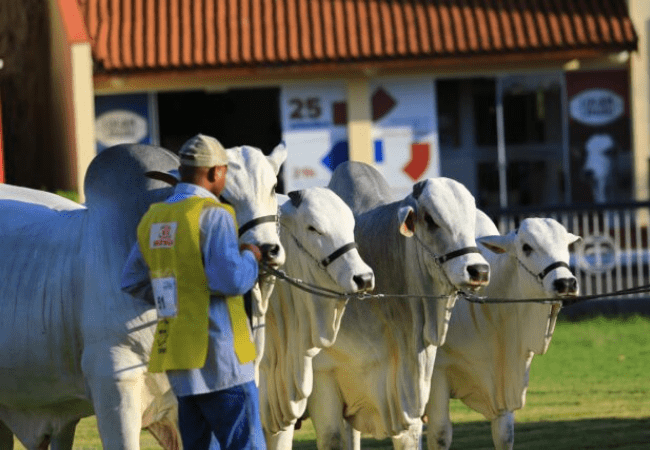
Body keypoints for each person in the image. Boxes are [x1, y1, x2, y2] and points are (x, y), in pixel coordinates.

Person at [121, 133, 266, 450]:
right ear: (216, 172)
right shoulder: (214, 215)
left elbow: (131, 280)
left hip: (180, 361)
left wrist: (177, 296)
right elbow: (232, 280)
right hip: (223, 360)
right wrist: (250, 257)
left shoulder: (154, 218)